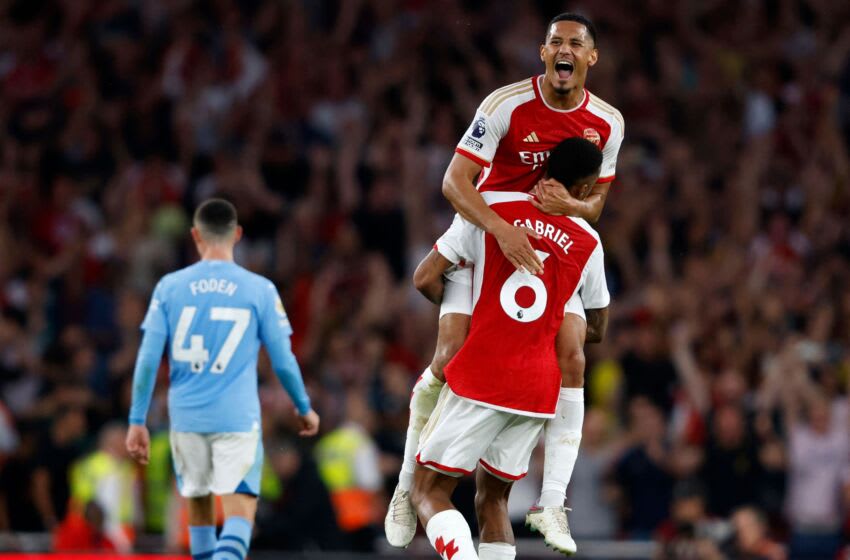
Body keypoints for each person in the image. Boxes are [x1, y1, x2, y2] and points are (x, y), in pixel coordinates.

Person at [386, 11, 624, 549]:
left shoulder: (608, 122)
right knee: (448, 355)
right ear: (543, 53)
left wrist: (572, 205)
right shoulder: (504, 105)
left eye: (575, 43)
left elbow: (598, 202)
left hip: (547, 238)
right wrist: (500, 232)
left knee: (573, 356)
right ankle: (405, 487)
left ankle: (553, 503)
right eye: (554, 42)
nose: (564, 50)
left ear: (591, 58)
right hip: (485, 219)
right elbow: (455, 182)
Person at [409, 139, 610, 560]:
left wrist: (467, 305)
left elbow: (425, 278)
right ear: (587, 185)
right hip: (537, 391)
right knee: (493, 500)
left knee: (426, 491)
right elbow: (597, 326)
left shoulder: (490, 208)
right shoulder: (589, 241)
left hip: (484, 374)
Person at [125, 198, 320, 560]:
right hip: (236, 419)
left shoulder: (169, 287)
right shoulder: (259, 289)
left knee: (198, 510)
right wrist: (303, 406)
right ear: (238, 235)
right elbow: (283, 361)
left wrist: (137, 420)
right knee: (240, 513)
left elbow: (149, 358)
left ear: (195, 236)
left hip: (185, 418)